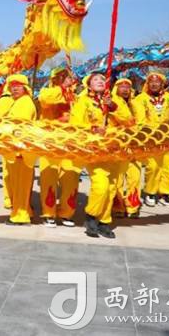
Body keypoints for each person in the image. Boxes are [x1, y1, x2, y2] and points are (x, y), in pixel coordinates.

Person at [71, 72, 127, 238]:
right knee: (101, 185)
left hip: (114, 149)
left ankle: (104, 221)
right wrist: (92, 129)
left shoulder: (115, 100)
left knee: (111, 187)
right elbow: (75, 124)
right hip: (94, 149)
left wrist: (113, 107)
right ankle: (91, 216)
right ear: (88, 84)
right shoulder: (83, 101)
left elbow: (129, 121)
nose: (100, 81)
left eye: (103, 79)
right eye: (95, 79)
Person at [132, 72, 169, 208]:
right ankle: (150, 192)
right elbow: (140, 120)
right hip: (151, 138)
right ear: (147, 84)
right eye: (151, 82)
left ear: (162, 84)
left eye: (157, 82)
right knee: (153, 166)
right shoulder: (140, 99)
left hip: (168, 137)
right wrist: (148, 132)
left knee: (168, 166)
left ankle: (165, 193)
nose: (154, 84)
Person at [37, 68, 79, 227]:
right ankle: (49, 213)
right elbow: (45, 100)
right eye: (60, 77)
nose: (64, 79)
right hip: (50, 142)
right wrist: (62, 87)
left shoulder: (75, 97)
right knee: (49, 177)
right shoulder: (48, 92)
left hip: (70, 143)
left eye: (66, 76)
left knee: (71, 177)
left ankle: (67, 213)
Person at [0, 74, 38, 225]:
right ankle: (26, 210)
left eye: (18, 86)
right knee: (20, 184)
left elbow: (19, 128)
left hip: (20, 150)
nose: (14, 88)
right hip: (17, 149)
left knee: (20, 185)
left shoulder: (24, 103)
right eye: (12, 86)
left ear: (25, 88)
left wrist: (18, 149)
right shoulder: (18, 102)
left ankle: (20, 215)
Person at [109, 78, 140, 218]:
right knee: (118, 177)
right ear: (116, 88)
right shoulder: (111, 102)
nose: (125, 89)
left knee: (135, 176)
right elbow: (124, 119)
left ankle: (133, 206)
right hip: (118, 144)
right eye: (122, 86)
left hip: (134, 144)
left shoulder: (135, 103)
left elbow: (141, 120)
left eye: (128, 87)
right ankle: (118, 206)